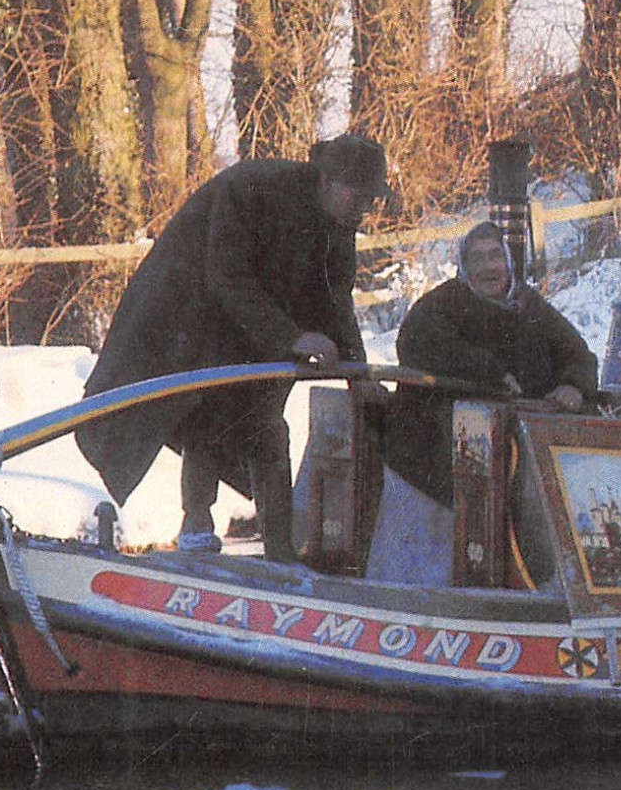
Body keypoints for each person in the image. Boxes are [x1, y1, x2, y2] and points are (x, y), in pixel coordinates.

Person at [75, 135, 389, 560]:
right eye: (358, 196)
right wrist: (291, 337)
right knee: (205, 412)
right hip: (191, 311)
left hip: (257, 327)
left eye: (371, 200)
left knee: (267, 426)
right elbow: (227, 276)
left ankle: (280, 546)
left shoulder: (338, 226)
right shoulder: (255, 188)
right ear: (327, 180)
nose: (363, 209)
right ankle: (197, 528)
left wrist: (357, 374)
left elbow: (336, 301)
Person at [368, 221, 598, 584]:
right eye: (477, 259)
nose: (488, 267)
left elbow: (579, 355)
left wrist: (574, 385)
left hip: (513, 449)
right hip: (435, 451)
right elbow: (416, 343)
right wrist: (489, 372)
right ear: (464, 266)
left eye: (495, 256)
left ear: (508, 261)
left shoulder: (530, 306)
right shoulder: (442, 305)